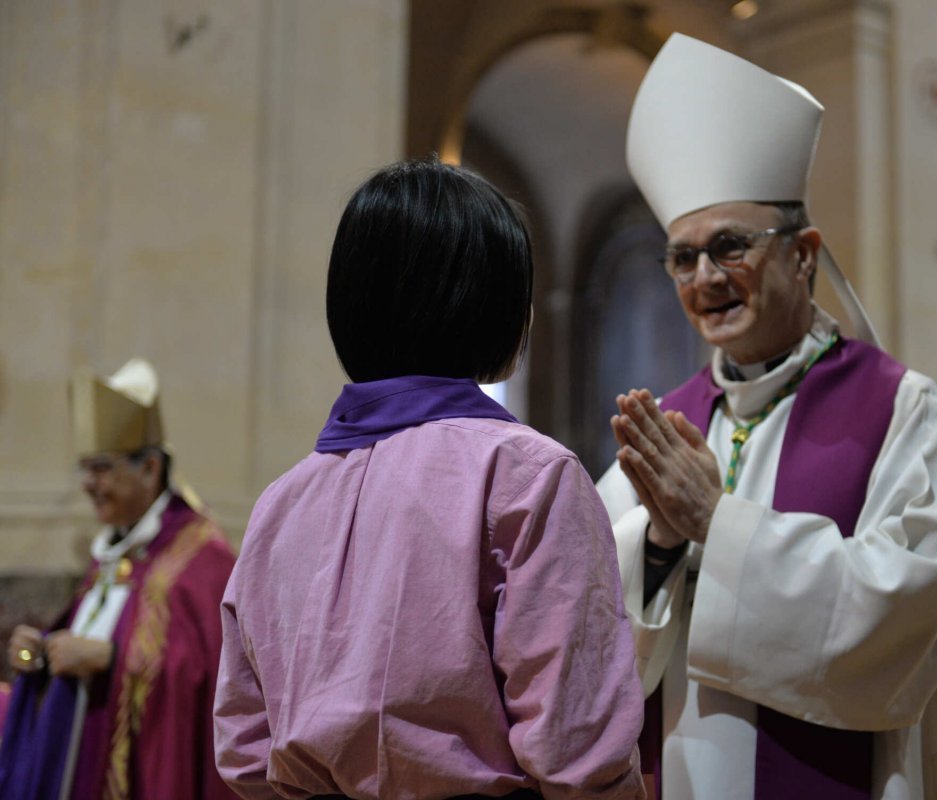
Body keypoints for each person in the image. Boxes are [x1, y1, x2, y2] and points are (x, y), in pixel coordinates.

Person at [595, 33, 937, 799]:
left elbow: (911, 611)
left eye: (730, 246)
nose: (705, 279)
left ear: (804, 254)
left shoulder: (902, 409)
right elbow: (591, 631)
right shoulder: (665, 427)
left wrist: (718, 521)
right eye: (682, 257)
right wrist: (661, 542)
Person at [213, 159, 645, 800]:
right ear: (500, 312)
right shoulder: (527, 474)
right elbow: (575, 749)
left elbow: (245, 750)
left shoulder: (281, 502)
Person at [0, 358, 238, 800]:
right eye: (85, 468)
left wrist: (111, 658)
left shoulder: (202, 557)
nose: (89, 484)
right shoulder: (115, 551)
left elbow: (213, 677)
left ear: (149, 469)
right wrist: (42, 652)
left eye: (102, 469)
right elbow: (85, 638)